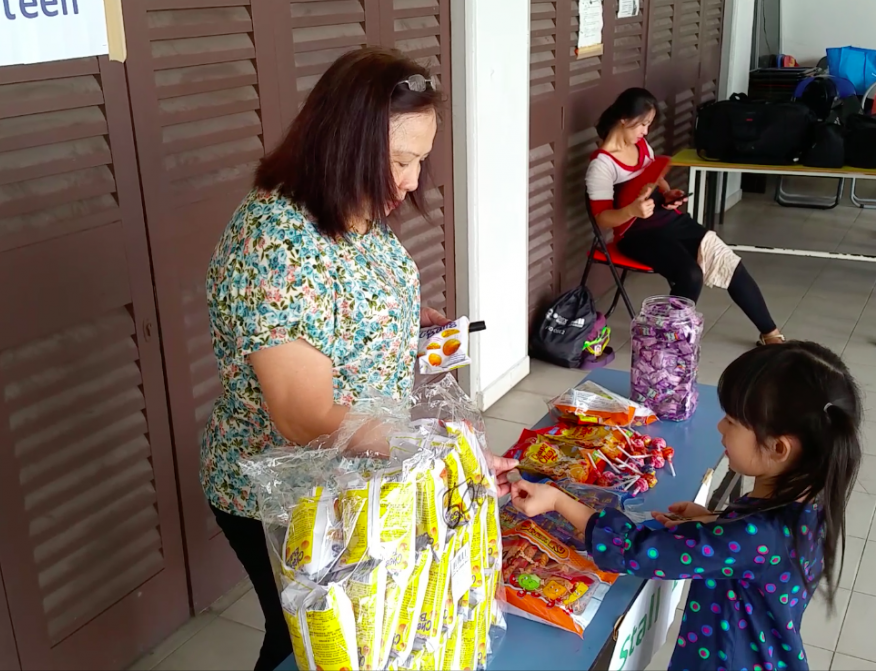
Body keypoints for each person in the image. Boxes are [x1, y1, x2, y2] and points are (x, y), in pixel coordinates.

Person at [202, 47, 517, 671]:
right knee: (306, 642)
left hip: (359, 473)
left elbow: (339, 309)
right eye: (400, 161)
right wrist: (441, 457)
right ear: (343, 145)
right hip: (292, 494)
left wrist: (401, 323)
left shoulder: (352, 208)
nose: (412, 181)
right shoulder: (276, 242)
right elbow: (305, 416)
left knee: (368, 632)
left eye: (420, 160)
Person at [510, 341, 862, 670]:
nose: (720, 426)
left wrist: (557, 500)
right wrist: (715, 522)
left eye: (732, 422)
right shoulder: (808, 501)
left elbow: (636, 550)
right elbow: (753, 552)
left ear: (779, 448)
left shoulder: (756, 537)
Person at [587, 87, 785, 346]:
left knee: (727, 260)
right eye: (643, 124)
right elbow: (602, 218)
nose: (646, 131)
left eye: (649, 124)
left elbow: (656, 180)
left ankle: (770, 334)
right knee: (690, 275)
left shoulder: (641, 146)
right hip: (636, 234)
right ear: (624, 119)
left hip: (669, 221)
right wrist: (631, 211)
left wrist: (668, 194)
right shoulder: (602, 164)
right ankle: (667, 344)